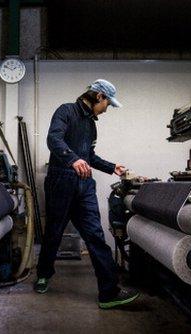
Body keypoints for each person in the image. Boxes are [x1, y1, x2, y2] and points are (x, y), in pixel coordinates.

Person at [34, 79, 139, 309]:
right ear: (99, 96)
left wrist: (112, 167)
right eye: (108, 104)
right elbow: (54, 139)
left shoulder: (91, 125)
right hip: (60, 182)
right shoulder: (66, 111)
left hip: (83, 186)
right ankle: (43, 274)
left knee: (96, 237)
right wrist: (72, 159)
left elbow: (89, 157)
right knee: (53, 234)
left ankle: (109, 293)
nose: (107, 109)